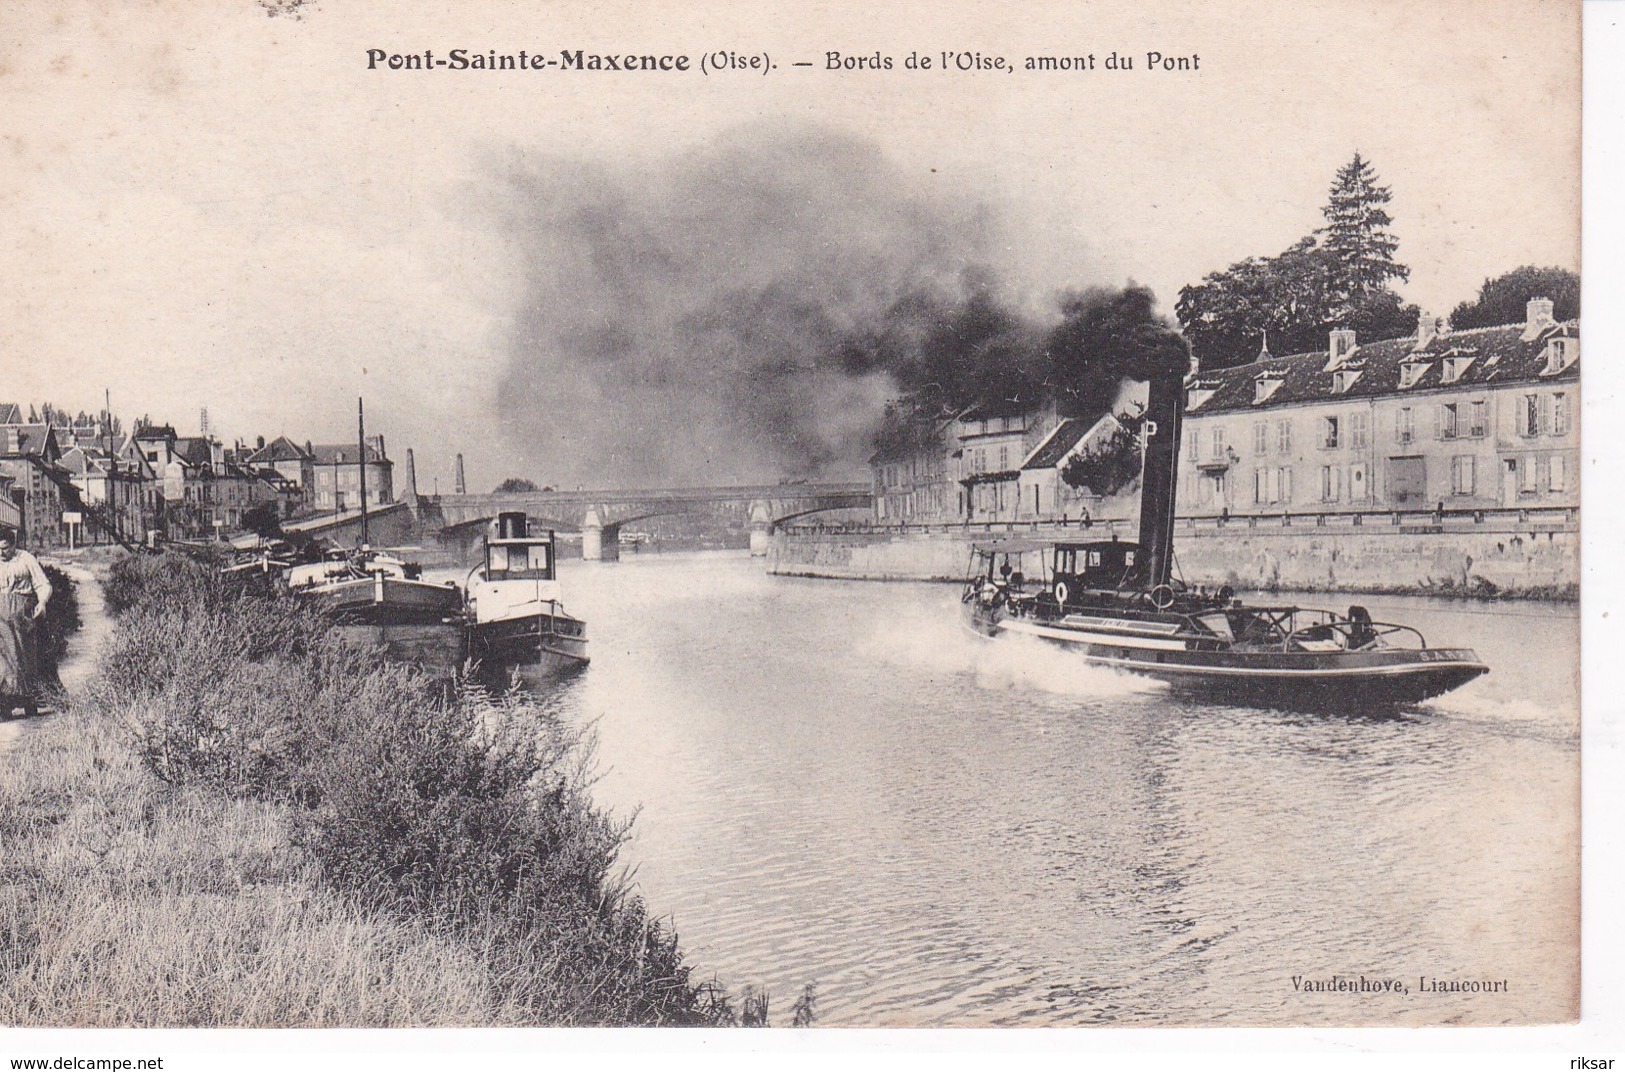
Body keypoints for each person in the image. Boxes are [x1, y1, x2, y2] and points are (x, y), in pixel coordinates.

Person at [0, 526, 53, 719]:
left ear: (13, 544)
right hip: (1, 617)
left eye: (5, 548)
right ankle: (5, 705)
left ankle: (30, 702)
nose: (1, 552)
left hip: (23, 614)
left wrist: (42, 602)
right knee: (5, 658)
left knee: (25, 656)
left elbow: (42, 583)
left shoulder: (26, 559)